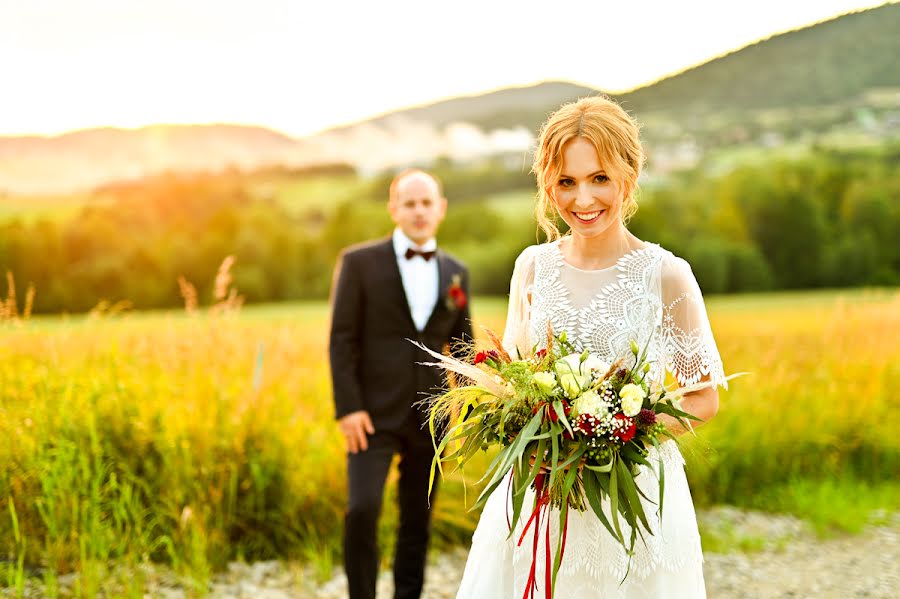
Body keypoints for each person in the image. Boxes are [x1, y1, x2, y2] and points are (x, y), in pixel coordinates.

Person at [455, 97, 726, 598]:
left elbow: (702, 399)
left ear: (629, 173)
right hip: (542, 494)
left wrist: (617, 432)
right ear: (547, 186)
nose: (583, 199)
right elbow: (514, 375)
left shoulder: (666, 275)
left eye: (599, 178)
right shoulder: (532, 267)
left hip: (632, 495)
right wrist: (526, 420)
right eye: (566, 182)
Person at [329, 169, 474, 599]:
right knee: (361, 510)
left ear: (440, 209)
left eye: (427, 202)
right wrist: (347, 406)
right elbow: (341, 339)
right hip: (369, 414)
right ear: (394, 209)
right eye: (409, 203)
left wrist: (469, 410)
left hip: (431, 415)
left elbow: (464, 347)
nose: (419, 211)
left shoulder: (455, 272)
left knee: (418, 518)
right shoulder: (358, 262)